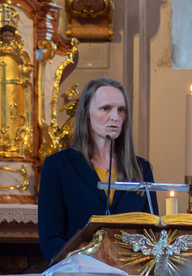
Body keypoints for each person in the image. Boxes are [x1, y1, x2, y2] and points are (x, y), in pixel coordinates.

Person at [38, 78, 159, 264]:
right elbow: (51, 236)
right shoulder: (58, 166)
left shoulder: (141, 169)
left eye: (121, 110)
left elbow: (152, 234)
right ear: (87, 113)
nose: (115, 117)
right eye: (106, 109)